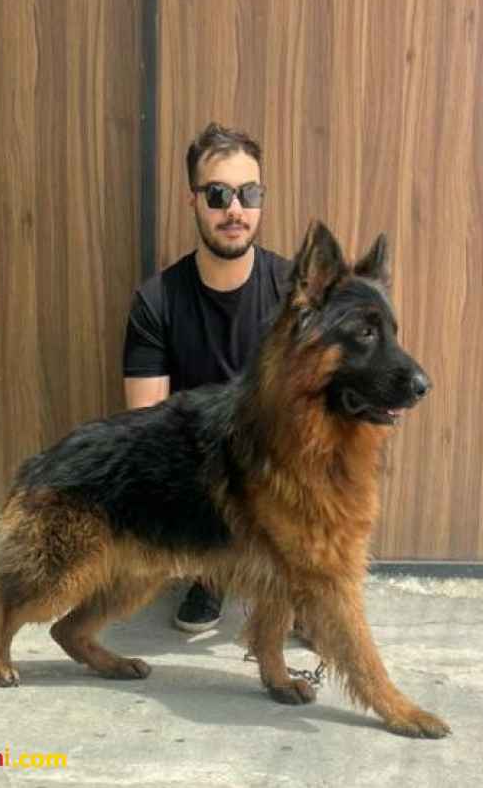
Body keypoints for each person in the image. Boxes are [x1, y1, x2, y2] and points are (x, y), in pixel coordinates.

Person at [123, 122, 291, 632]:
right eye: (218, 195)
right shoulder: (157, 301)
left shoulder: (294, 290)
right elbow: (147, 429)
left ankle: (297, 582)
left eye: (249, 194)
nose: (235, 210)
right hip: (204, 468)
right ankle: (211, 573)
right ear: (192, 200)